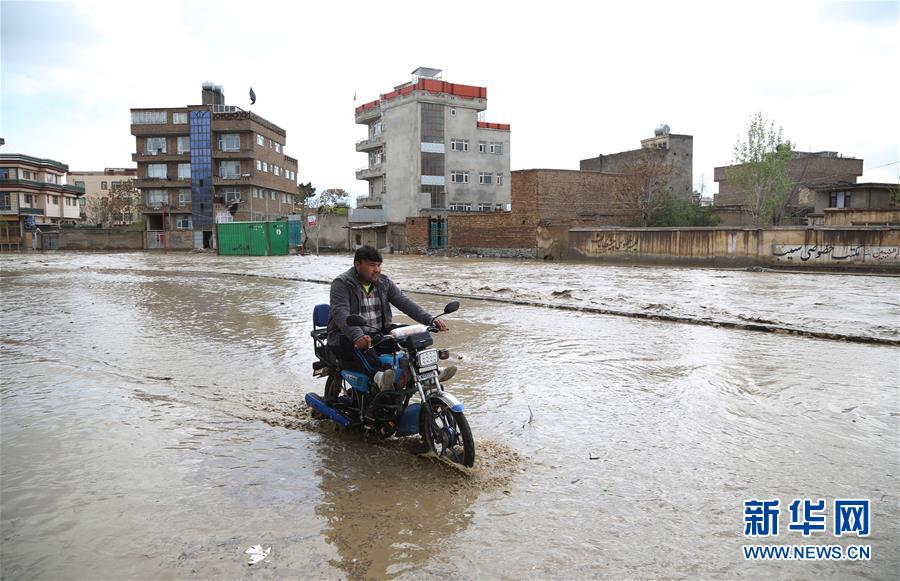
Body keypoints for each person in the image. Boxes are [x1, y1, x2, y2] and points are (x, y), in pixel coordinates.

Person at [327, 246, 455, 397]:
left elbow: (404, 302)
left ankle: (430, 373)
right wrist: (357, 335)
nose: (377, 270)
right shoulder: (342, 283)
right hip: (347, 336)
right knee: (360, 345)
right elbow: (341, 312)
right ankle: (379, 378)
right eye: (372, 265)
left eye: (379, 265)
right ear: (358, 265)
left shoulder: (384, 282)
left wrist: (430, 319)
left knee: (415, 335)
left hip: (379, 332)